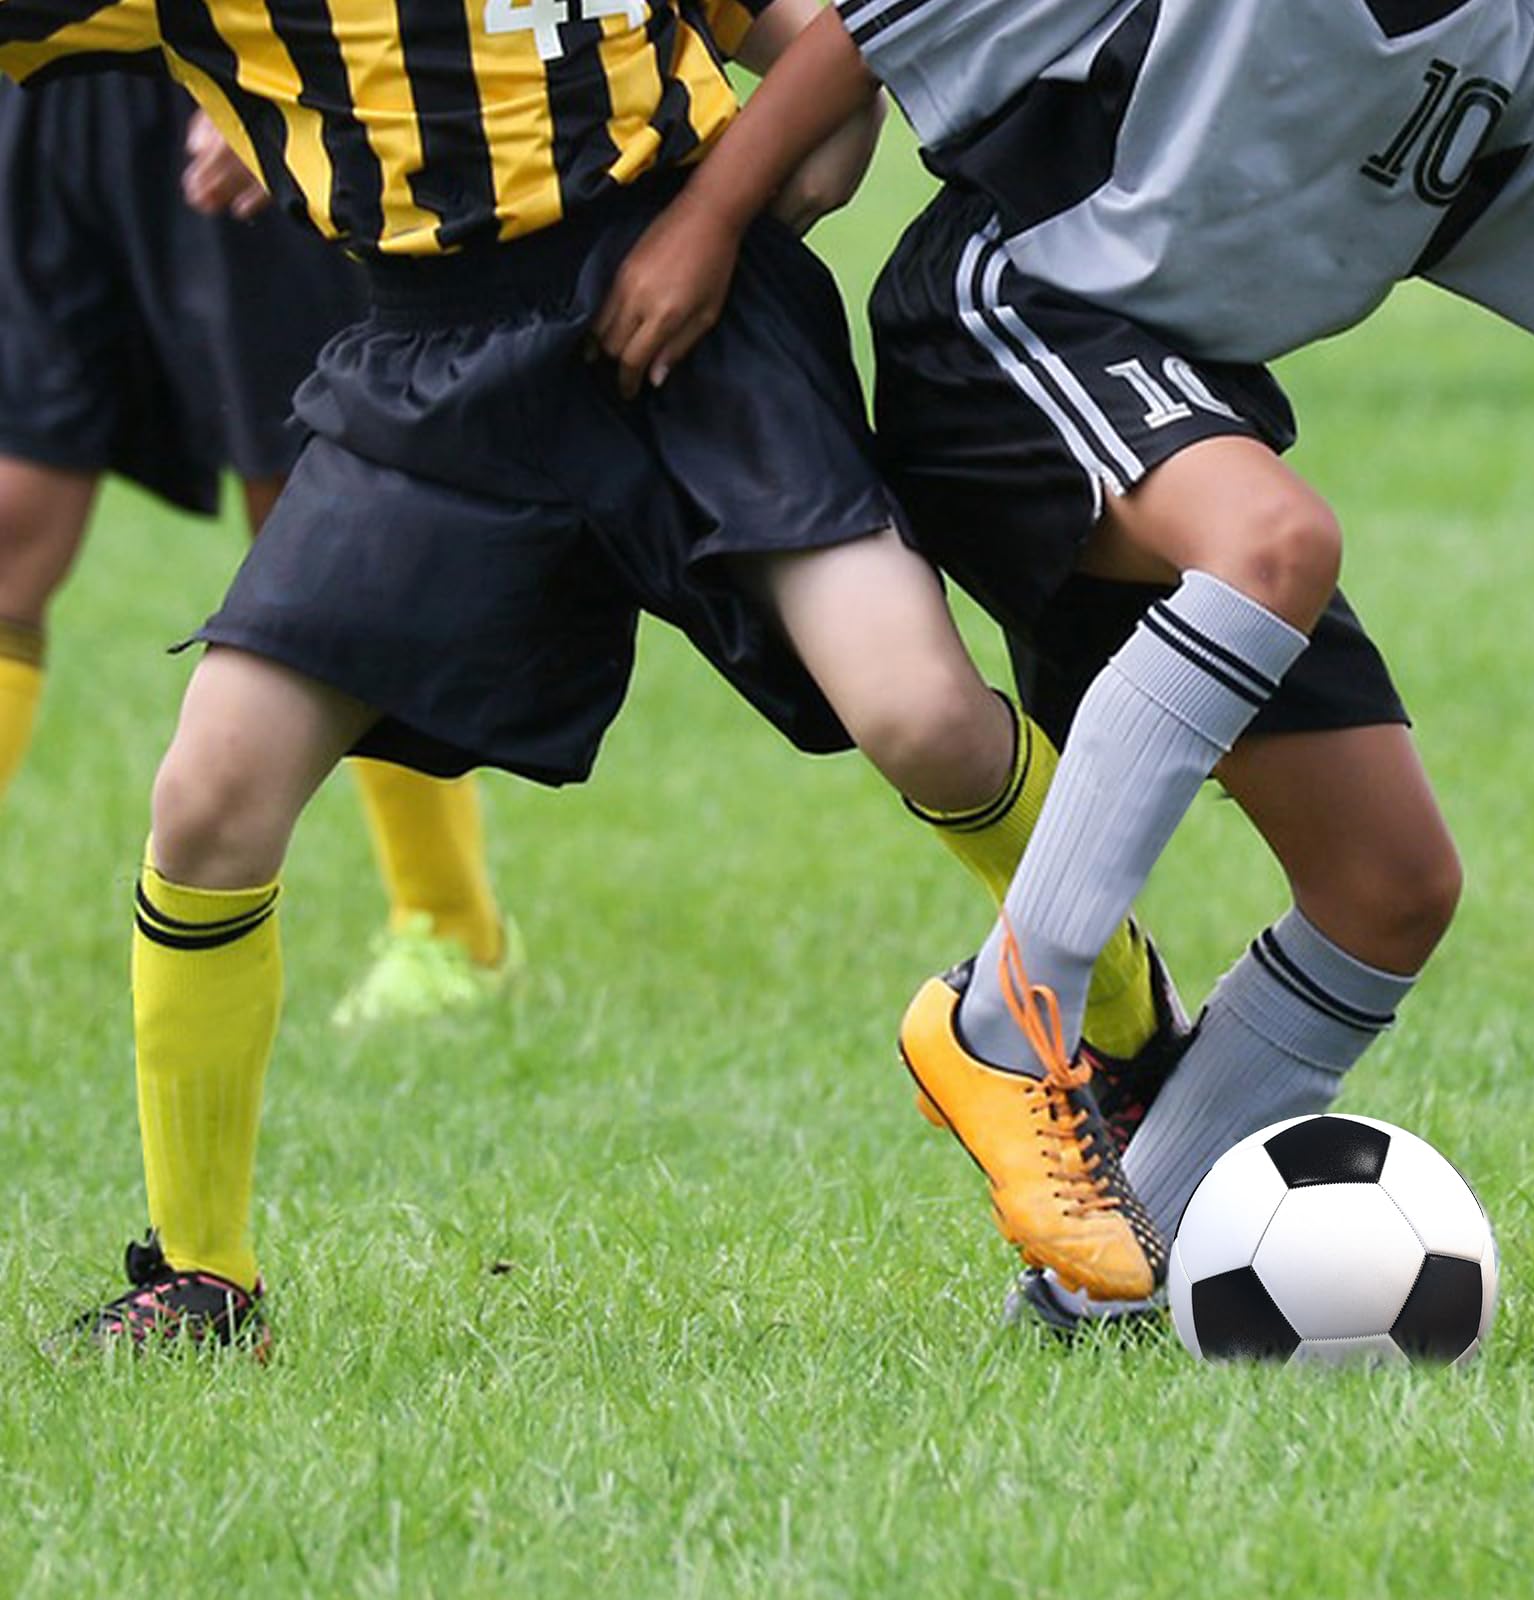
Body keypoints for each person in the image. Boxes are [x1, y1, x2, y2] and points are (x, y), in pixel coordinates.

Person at [0, 0, 1176, 1350]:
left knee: (919, 715)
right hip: (435, 373)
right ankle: (200, 1277)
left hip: (696, 330)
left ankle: (1133, 1034)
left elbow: (826, 52)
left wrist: (723, 223)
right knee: (211, 794)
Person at [589, 0, 1534, 1321]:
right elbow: (869, 25)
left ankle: (1102, 1292)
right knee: (1275, 541)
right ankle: (1006, 1016)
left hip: (1179, 413)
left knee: (1389, 885)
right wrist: (710, 219)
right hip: (1004, 329)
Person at [0, 75, 518, 1027]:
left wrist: (282, 68)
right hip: (55, 82)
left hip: (241, 69)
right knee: (12, 507)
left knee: (312, 509)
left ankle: (449, 924)